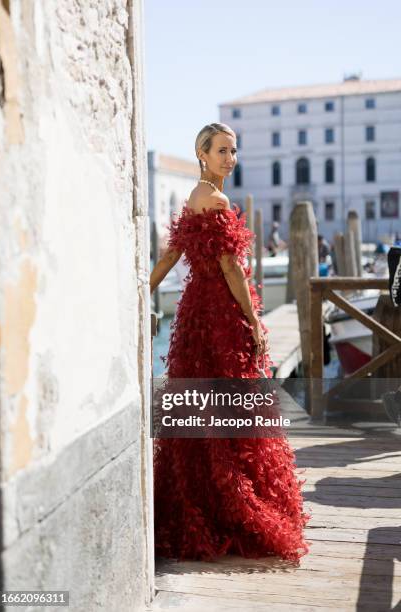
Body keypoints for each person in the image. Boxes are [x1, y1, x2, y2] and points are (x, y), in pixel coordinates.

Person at [150, 122, 310, 563]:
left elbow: (172, 253)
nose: (230, 159)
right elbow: (231, 269)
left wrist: (144, 286)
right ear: (201, 154)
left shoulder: (195, 197)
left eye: (233, 151)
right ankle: (231, 509)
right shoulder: (217, 200)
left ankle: (207, 504)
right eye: (221, 150)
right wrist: (255, 322)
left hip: (196, 311)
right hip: (219, 313)